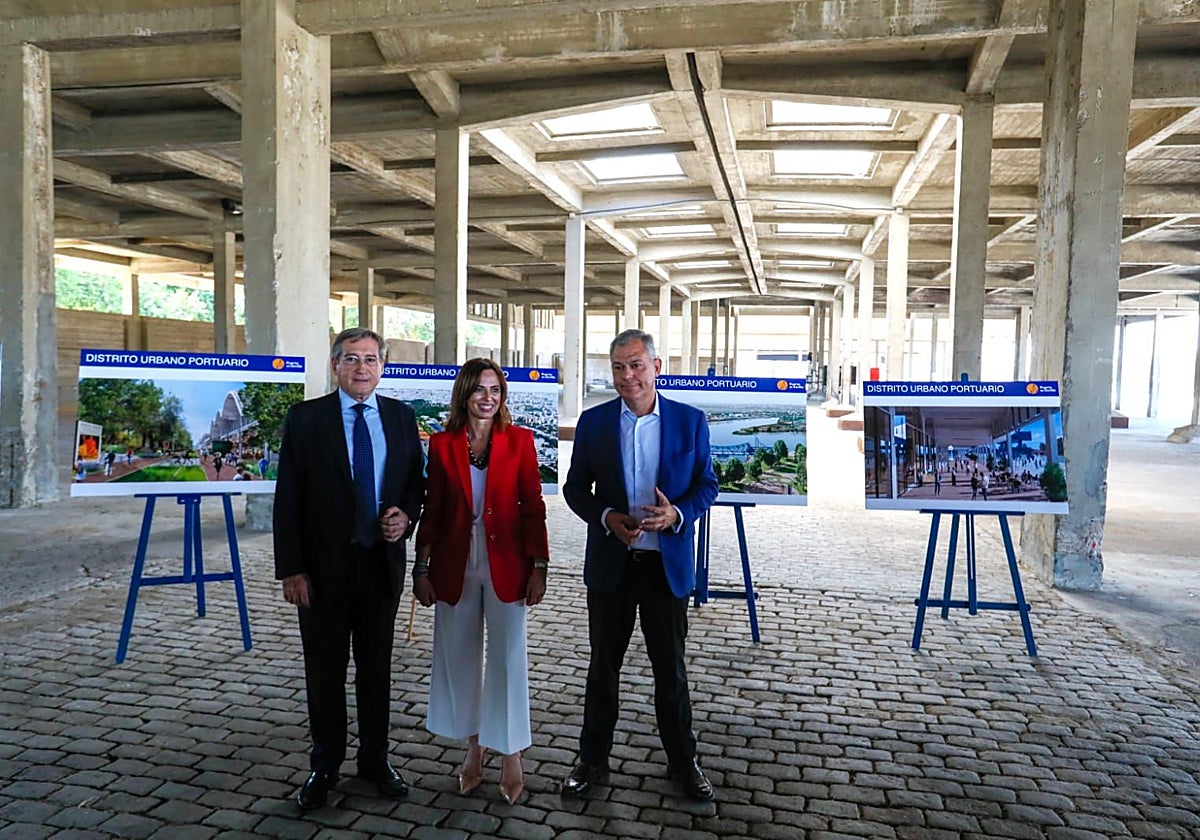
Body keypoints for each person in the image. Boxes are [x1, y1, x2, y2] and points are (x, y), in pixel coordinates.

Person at [561, 329, 719, 803]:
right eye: (618, 367)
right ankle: (591, 760)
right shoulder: (594, 423)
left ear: (656, 367)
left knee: (670, 673)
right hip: (612, 565)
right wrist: (607, 517)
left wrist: (677, 514)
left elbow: (707, 486)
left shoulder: (690, 422)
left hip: (664, 567)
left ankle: (683, 761)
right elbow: (574, 489)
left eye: (636, 365)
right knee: (602, 670)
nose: (627, 376)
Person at [274, 327, 425, 812]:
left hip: (381, 566)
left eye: (371, 359)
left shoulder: (401, 417)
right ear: (335, 365)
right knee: (325, 672)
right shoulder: (306, 419)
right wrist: (292, 569)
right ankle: (325, 765)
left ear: (383, 366)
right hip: (321, 573)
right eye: (352, 359)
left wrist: (406, 515)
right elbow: (288, 499)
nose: (362, 368)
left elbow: (416, 483)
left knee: (376, 670)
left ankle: (375, 760)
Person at [413, 358, 550, 806]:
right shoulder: (442, 443)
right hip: (454, 561)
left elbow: (533, 505)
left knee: (508, 658)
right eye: (479, 389)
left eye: (495, 390)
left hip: (508, 561)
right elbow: (432, 509)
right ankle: (475, 747)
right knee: (460, 657)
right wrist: (421, 567)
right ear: (464, 395)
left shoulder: (520, 441)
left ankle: (511, 754)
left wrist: (539, 566)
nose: (487, 398)